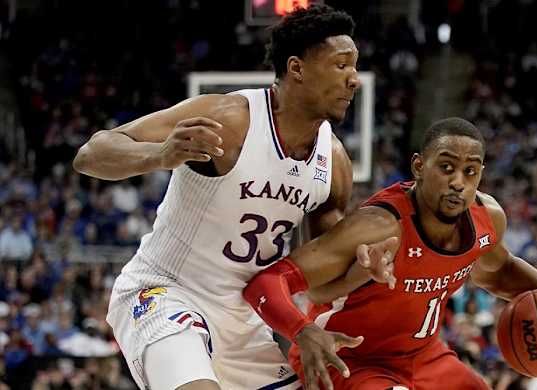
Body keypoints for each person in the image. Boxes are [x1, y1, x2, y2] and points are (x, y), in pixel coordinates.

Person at [73, 5, 392, 390]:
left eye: (354, 67)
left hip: (243, 323)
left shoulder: (334, 162)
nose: (354, 79)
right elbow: (91, 154)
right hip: (166, 291)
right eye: (341, 65)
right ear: (297, 69)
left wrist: (361, 270)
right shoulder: (230, 119)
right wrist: (159, 155)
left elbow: (318, 284)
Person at [242, 118, 537, 390]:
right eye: (446, 167)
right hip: (348, 357)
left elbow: (500, 272)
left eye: (469, 171)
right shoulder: (379, 226)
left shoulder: (486, 219)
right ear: (418, 167)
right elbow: (266, 283)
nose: (458, 181)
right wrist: (302, 331)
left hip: (422, 355)